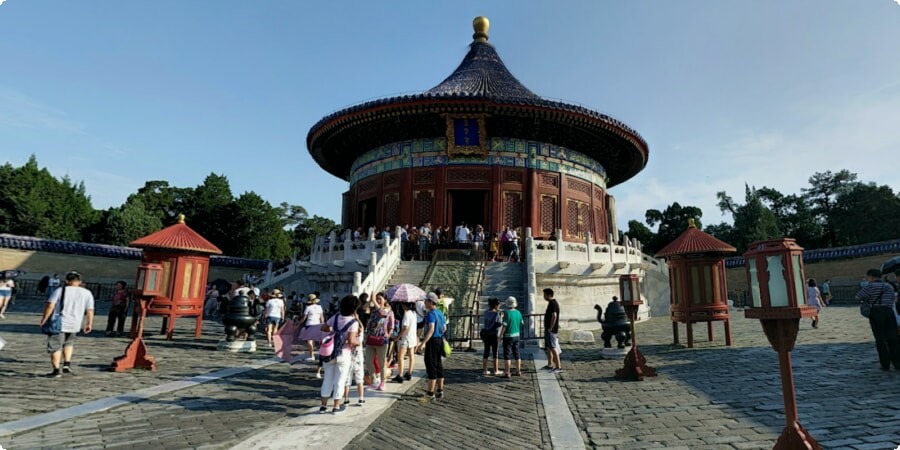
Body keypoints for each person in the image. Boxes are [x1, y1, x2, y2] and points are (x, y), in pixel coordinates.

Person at [39, 271, 94, 378]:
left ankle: (56, 370)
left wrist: (44, 319)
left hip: (59, 322)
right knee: (69, 343)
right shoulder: (87, 293)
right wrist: (89, 323)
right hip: (76, 323)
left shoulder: (60, 290)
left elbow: (50, 305)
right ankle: (66, 364)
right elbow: (90, 310)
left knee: (55, 345)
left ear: (67, 281)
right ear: (80, 282)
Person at [318, 295, 361, 415]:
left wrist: (334, 333)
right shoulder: (353, 322)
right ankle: (336, 406)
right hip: (344, 353)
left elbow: (324, 328)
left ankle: (323, 406)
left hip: (330, 352)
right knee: (340, 380)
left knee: (327, 379)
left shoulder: (335, 317)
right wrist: (359, 342)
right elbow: (352, 341)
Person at [855, 269, 900, 371]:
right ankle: (897, 362)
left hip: (876, 312)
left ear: (871, 276)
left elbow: (858, 297)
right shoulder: (888, 286)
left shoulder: (870, 286)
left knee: (880, 339)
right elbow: (893, 298)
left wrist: (868, 299)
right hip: (889, 312)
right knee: (893, 338)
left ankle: (885, 364)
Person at [416, 294, 447, 401]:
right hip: (439, 341)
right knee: (438, 364)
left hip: (432, 341)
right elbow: (444, 328)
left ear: (430, 302)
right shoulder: (439, 313)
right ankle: (440, 390)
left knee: (431, 365)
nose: (424, 303)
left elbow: (431, 329)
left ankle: (430, 393)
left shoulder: (431, 314)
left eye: (426, 301)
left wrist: (423, 342)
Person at [365, 292, 395, 391]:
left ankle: (382, 382)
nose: (378, 300)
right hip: (370, 338)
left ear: (385, 300)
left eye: (380, 299)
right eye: (377, 298)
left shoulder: (388, 310)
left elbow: (385, 317)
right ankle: (374, 379)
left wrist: (389, 334)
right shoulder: (373, 309)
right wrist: (370, 301)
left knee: (382, 363)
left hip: (381, 340)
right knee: (369, 362)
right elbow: (364, 310)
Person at [343, 298, 366, 407]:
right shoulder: (360, 337)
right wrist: (357, 319)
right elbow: (362, 327)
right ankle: (361, 398)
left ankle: (346, 399)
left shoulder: (348, 337)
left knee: (347, 380)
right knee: (359, 379)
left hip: (348, 358)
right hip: (358, 360)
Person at [391, 301, 417, 383]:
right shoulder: (414, 313)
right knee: (411, 355)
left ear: (405, 305)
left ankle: (400, 374)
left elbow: (405, 327)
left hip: (405, 338)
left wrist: (398, 337)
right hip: (412, 337)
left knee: (400, 356)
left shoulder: (407, 314)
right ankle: (409, 372)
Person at [500, 296, 524, 378]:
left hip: (508, 336)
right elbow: (522, 323)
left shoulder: (506, 313)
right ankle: (518, 371)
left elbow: (504, 326)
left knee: (507, 354)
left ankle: (507, 372)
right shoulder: (518, 312)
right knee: (517, 353)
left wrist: (500, 336)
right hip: (517, 335)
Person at [297, 294, 324, 362]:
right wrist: (322, 324)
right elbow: (321, 317)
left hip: (309, 324)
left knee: (309, 340)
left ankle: (311, 355)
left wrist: (299, 323)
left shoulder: (308, 307)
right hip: (317, 324)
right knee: (313, 340)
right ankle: (312, 353)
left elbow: (304, 318)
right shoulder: (319, 307)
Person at [542, 288, 562, 373]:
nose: (544, 296)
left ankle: (558, 367)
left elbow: (554, 316)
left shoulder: (553, 304)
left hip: (551, 330)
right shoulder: (551, 303)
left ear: (549, 295)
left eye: (545, 295)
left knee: (553, 348)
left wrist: (550, 328)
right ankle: (550, 364)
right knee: (549, 348)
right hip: (548, 329)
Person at [481, 297, 502, 375]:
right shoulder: (497, 313)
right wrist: (501, 317)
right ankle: (496, 370)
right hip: (494, 335)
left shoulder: (486, 312)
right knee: (495, 352)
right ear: (496, 305)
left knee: (486, 352)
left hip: (486, 334)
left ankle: (485, 369)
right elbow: (499, 323)